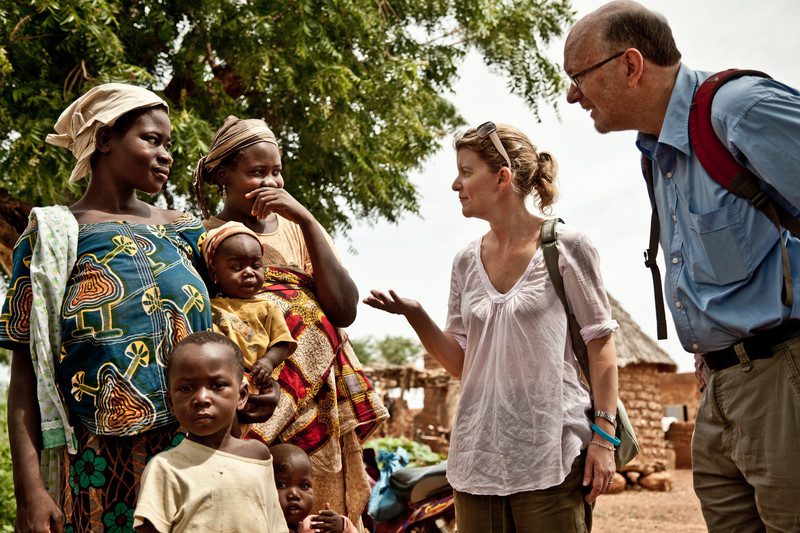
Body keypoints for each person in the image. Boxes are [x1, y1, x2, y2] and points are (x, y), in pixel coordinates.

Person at [563, 2, 800, 530]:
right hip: (720, 384)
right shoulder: (657, 154)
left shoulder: (739, 110)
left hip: (782, 377)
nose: (572, 95)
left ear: (630, 65)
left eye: (579, 77)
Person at [365, 122, 620, 532]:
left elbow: (601, 343)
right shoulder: (465, 261)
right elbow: (460, 362)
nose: (455, 184)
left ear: (502, 177)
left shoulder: (567, 247)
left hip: (549, 450)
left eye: (466, 172)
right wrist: (416, 316)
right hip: (478, 455)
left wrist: (604, 439)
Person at [1, 83, 212, 532]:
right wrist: (30, 490)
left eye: (168, 144)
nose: (166, 154)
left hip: (198, 447)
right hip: (98, 463)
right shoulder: (54, 236)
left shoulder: (187, 232)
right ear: (104, 140)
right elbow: (26, 371)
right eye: (151, 139)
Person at [192, 116, 388, 528]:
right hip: (254, 393)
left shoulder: (300, 232)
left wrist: (309, 221)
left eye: (277, 171)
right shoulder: (204, 237)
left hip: (316, 396)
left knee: (315, 504)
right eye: (256, 172)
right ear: (224, 175)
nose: (271, 183)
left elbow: (344, 310)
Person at [134, 331, 288, 532]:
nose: (202, 398)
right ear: (172, 402)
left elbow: (274, 524)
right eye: (186, 388)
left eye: (217, 385)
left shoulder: (257, 456)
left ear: (242, 395)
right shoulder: (165, 468)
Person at [202, 221, 297, 391]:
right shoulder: (210, 307)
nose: (248, 272)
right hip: (222, 380)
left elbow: (282, 342)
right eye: (236, 267)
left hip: (257, 379)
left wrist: (268, 361)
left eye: (256, 265)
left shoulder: (268, 307)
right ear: (214, 274)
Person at [271, 443, 358, 533]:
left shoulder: (317, 526)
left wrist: (342, 526)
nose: (294, 494)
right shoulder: (262, 527)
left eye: (304, 486)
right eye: (282, 485)